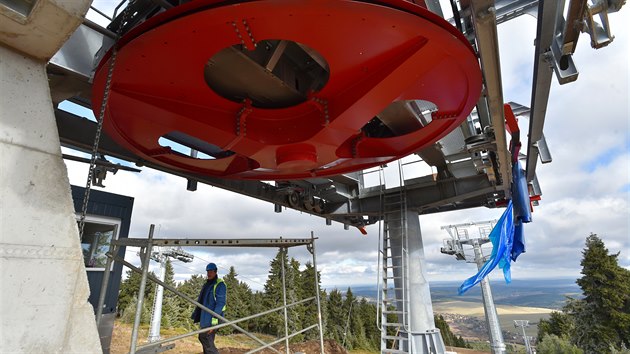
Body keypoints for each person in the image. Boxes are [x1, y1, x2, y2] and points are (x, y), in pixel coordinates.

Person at [192, 262, 227, 354]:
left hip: (212, 318)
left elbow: (220, 304)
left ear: (215, 272)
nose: (209, 273)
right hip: (205, 317)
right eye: (208, 271)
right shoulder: (207, 285)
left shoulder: (220, 285)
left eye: (211, 271)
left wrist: (214, 323)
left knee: (204, 337)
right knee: (206, 341)